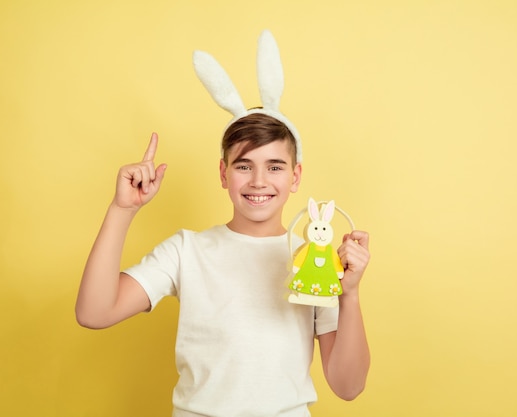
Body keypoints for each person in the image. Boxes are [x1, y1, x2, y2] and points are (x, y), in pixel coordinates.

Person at [76, 31, 371, 417]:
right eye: (244, 166)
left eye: (275, 167)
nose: (259, 181)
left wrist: (348, 294)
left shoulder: (313, 263)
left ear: (295, 177)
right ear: (223, 173)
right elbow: (94, 313)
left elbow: (348, 386)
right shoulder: (187, 251)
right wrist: (121, 209)